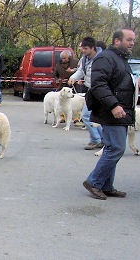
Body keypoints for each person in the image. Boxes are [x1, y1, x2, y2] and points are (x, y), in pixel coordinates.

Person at [82, 28, 136, 200]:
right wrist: (113, 105)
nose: (132, 43)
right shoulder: (106, 58)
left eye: (133, 40)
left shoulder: (119, 59)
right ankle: (94, 182)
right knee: (116, 148)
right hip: (111, 112)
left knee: (114, 149)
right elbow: (98, 85)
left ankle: (106, 186)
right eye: (129, 40)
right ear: (117, 41)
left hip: (120, 111)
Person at [68, 36, 103, 150]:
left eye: (86, 48)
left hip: (100, 90)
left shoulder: (102, 58)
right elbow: (81, 71)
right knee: (95, 117)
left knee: (86, 115)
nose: (83, 50)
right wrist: (73, 77)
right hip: (91, 90)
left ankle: (96, 140)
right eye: (82, 48)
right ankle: (102, 139)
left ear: (93, 48)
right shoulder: (84, 58)